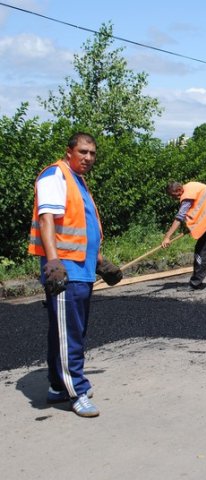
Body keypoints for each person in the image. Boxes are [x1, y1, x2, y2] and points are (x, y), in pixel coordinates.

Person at [28, 132, 122, 418]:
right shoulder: (55, 176)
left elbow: (82, 227)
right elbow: (47, 220)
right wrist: (54, 261)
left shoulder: (77, 181)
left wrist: (100, 262)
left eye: (92, 154)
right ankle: (76, 391)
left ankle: (59, 385)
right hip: (65, 271)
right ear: (69, 151)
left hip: (82, 269)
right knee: (70, 334)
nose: (88, 158)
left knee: (70, 331)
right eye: (83, 152)